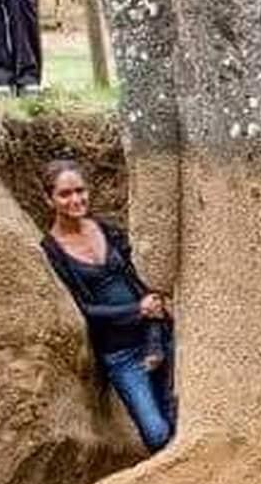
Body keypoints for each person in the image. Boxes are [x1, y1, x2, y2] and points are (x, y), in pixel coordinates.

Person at [40, 159, 176, 452]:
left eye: (80, 190)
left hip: (156, 333)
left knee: (179, 418)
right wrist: (136, 310)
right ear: (48, 199)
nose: (76, 199)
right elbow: (84, 309)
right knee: (156, 434)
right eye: (65, 194)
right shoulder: (52, 251)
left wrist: (153, 320)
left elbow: (143, 279)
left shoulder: (108, 230)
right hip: (120, 353)